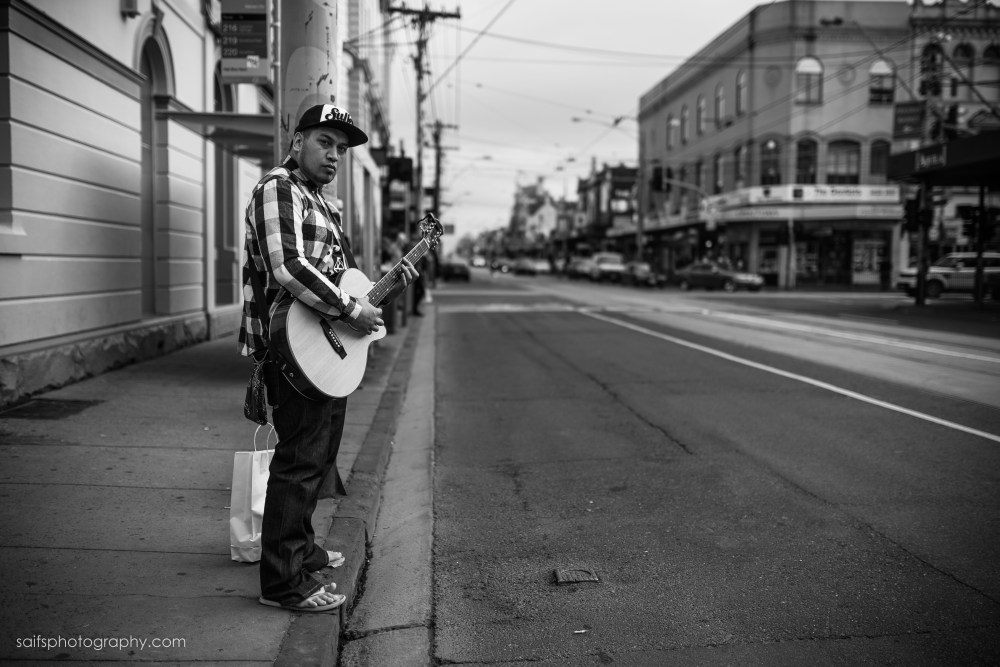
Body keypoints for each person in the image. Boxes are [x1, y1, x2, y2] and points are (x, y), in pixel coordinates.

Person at [238, 104, 418, 612]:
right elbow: (288, 266)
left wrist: (381, 290)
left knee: (317, 457)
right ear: (297, 142)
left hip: (322, 350)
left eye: (341, 148)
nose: (335, 155)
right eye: (325, 142)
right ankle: (282, 583)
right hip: (290, 348)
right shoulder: (279, 189)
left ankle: (302, 549)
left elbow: (345, 284)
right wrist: (349, 309)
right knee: (298, 462)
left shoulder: (321, 203)